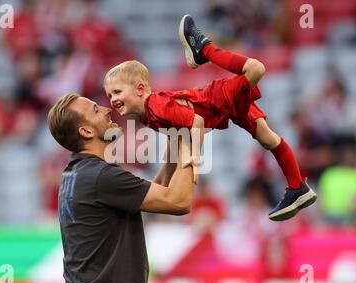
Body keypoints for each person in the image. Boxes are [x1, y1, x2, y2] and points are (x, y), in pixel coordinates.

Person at [103, 14, 317, 221]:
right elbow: (174, 144)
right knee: (268, 138)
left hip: (216, 99)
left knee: (255, 69)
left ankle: (204, 49)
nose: (112, 99)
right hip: (224, 109)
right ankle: (298, 187)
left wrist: (194, 155)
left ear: (140, 89)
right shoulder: (147, 116)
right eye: (110, 95)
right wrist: (156, 188)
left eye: (117, 92)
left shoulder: (155, 106)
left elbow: (196, 121)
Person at [47, 92, 196, 283]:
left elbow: (155, 192)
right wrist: (191, 139)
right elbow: (178, 201)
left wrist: (175, 139)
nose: (107, 109)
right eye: (96, 110)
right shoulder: (101, 177)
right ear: (86, 131)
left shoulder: (79, 173)